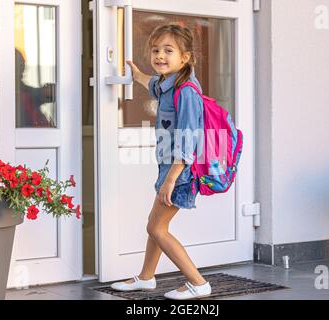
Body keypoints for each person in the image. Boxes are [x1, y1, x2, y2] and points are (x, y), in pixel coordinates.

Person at [110, 24, 211, 300]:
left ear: (185, 57)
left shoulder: (187, 91)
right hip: (169, 169)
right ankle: (145, 277)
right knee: (155, 224)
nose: (160, 55)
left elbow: (188, 139)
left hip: (180, 173)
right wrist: (136, 74)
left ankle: (197, 282)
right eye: (156, 50)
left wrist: (171, 179)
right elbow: (150, 82)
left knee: (156, 227)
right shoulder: (168, 83)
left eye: (168, 50)